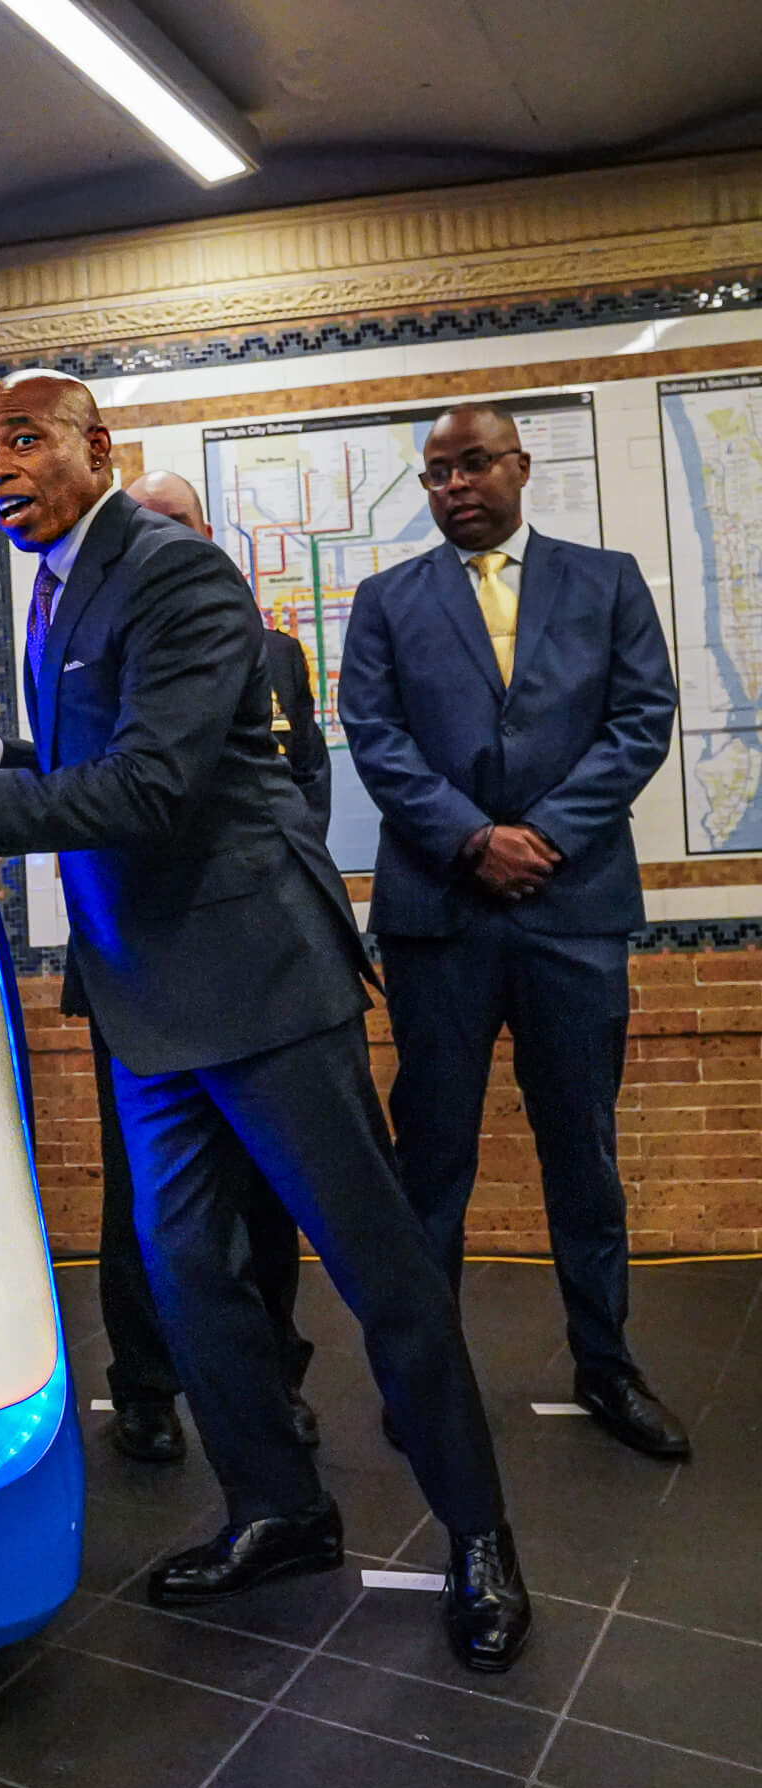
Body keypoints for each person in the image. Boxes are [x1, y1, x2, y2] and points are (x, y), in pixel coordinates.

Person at [0, 369, 531, 1672]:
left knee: (382, 1273)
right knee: (190, 1275)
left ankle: (481, 1534)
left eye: (24, 439)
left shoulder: (177, 574)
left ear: (101, 447)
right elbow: (85, 764)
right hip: (148, 999)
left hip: (257, 982)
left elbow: (151, 788)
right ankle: (278, 1507)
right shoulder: (57, 587)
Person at [339, 404, 688, 1459]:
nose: (453, 485)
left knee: (579, 1150)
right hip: (437, 920)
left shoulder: (607, 579)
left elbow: (642, 716)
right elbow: (374, 735)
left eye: (472, 463)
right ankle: (422, 1381)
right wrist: (468, 838)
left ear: (519, 466)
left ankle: (605, 1367)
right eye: (435, 471)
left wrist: (536, 833)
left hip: (571, 911)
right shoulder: (384, 599)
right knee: (431, 1160)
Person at [74, 469, 327, 1465]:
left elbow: (298, 786)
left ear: (207, 536)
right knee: (143, 1199)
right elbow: (87, 791)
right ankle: (143, 1384)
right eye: (141, 526)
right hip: (136, 964)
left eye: (174, 524)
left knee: (269, 1193)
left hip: (255, 968)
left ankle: (274, 1384)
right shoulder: (87, 656)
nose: (158, 543)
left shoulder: (276, 657)